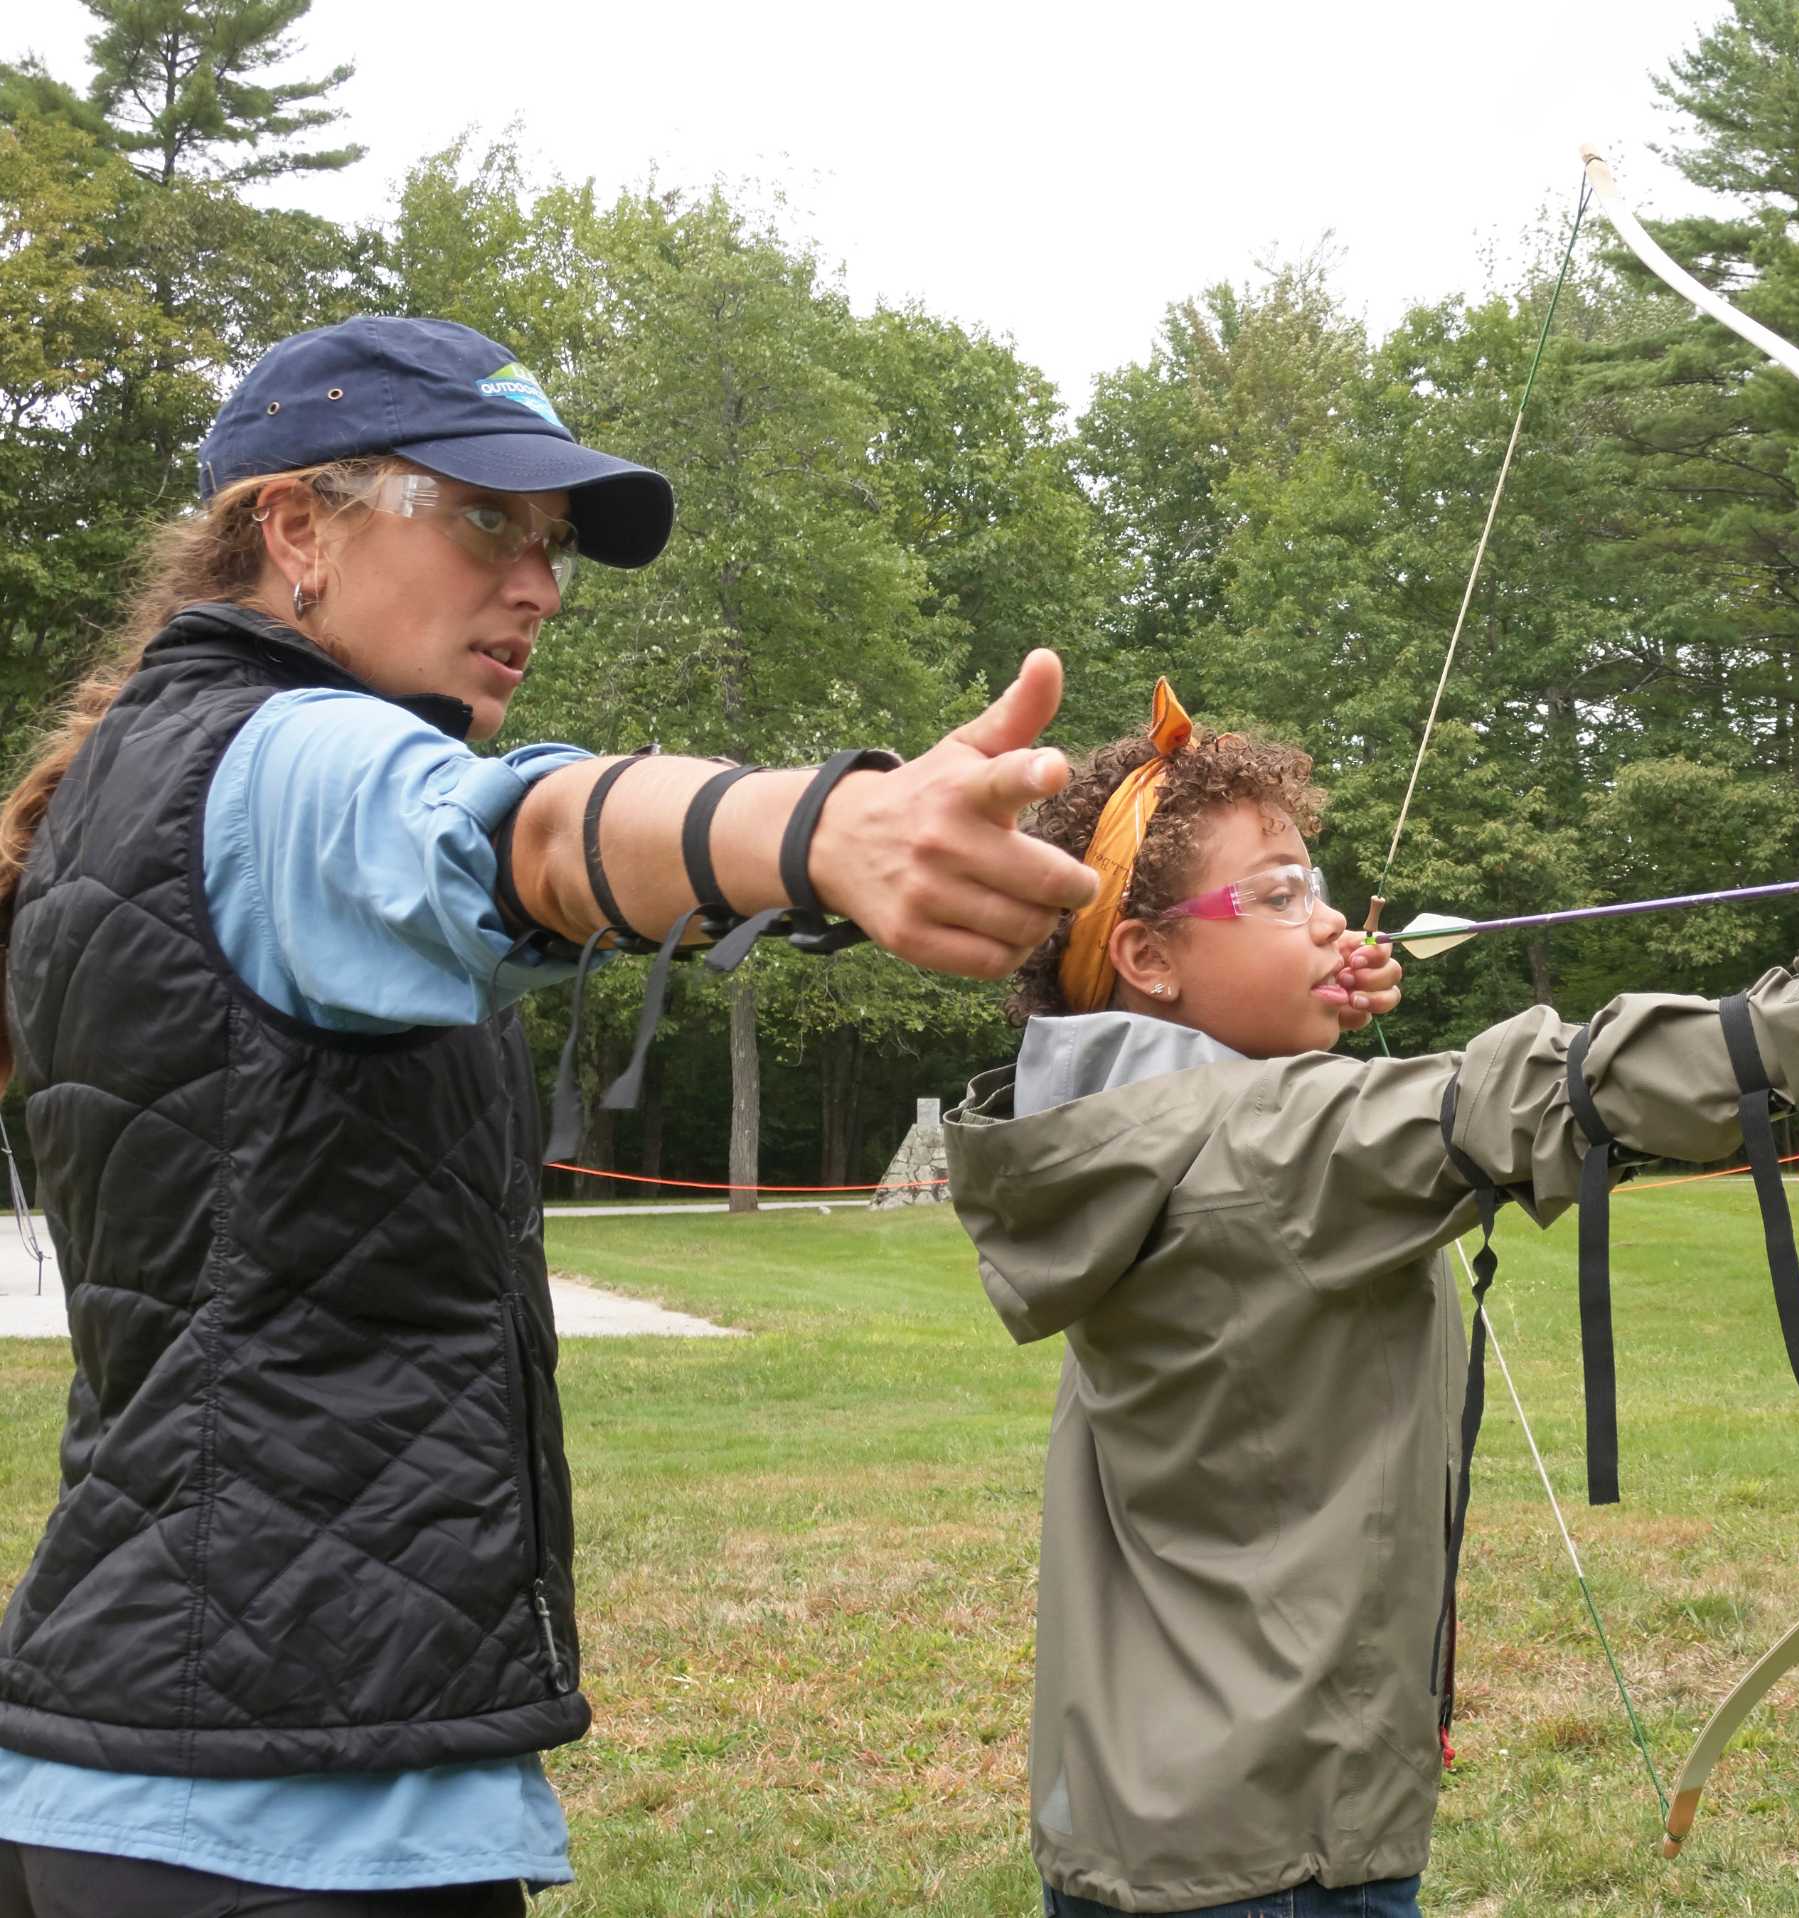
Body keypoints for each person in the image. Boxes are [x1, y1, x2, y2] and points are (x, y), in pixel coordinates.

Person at [0, 315, 1097, 1918]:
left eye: (555, 541)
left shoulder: (145, 775)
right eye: (485, 520)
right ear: (295, 527)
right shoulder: (300, 762)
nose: (540, 582)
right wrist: (828, 829)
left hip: (130, 1761)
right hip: (287, 1804)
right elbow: (541, 828)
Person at [942, 682, 1799, 1916]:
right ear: (1148, 955)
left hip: (1148, 1811)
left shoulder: (1115, 1129)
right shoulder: (1264, 1146)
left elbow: (1283, 1128)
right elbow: (1523, 1097)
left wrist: (1277, 1013)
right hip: (1270, 1856)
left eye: (1318, 884)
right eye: (1275, 892)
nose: (1325, 921)